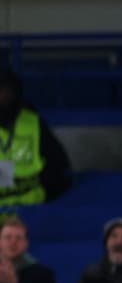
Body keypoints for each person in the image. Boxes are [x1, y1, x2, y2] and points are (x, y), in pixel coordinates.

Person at [0, 68, 72, 205]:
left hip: (33, 211)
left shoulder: (33, 122)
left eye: (4, 90)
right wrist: (21, 175)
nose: (2, 96)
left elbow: (59, 166)